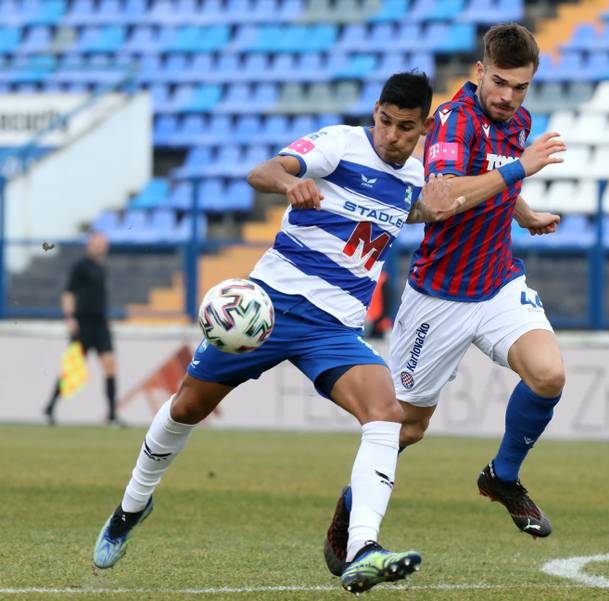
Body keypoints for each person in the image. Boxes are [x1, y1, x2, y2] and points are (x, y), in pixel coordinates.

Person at [90, 71, 469, 595]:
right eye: (384, 121)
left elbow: (422, 208)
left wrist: (484, 198)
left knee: (386, 413)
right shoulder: (340, 143)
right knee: (184, 408)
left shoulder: (418, 175)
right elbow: (261, 171)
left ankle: (362, 548)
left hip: (332, 326)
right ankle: (132, 505)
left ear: (424, 127)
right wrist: (291, 183)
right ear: (375, 113)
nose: (391, 136)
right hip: (267, 308)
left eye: (405, 128)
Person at [323, 23, 568, 576]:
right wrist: (519, 168)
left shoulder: (517, 122)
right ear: (480, 72)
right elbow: (448, 195)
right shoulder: (455, 120)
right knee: (405, 428)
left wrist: (524, 214)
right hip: (440, 297)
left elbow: (500, 184)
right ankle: (351, 504)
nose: (509, 97)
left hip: (498, 282)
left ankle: (501, 478)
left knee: (549, 375)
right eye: (500, 82)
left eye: (521, 87)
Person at [44, 232, 120, 427]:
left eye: (103, 243)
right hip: (83, 324)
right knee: (72, 370)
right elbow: (68, 293)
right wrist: (70, 318)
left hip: (101, 324)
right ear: (90, 245)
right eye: (97, 243)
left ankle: (111, 414)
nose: (101, 246)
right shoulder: (80, 267)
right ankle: (50, 407)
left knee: (110, 366)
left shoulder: (102, 268)